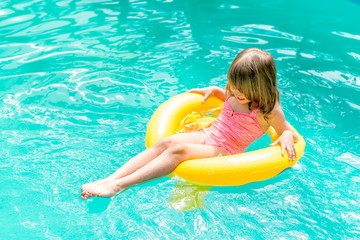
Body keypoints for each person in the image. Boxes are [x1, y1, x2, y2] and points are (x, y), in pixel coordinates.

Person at [81, 48, 298, 199]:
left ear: (260, 87)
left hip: (226, 151)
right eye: (234, 87)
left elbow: (288, 133)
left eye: (242, 91)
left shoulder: (268, 110)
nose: (236, 93)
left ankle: (119, 187)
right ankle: (109, 179)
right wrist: (216, 91)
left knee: (177, 150)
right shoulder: (234, 91)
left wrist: (286, 134)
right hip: (208, 134)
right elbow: (229, 98)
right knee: (165, 142)